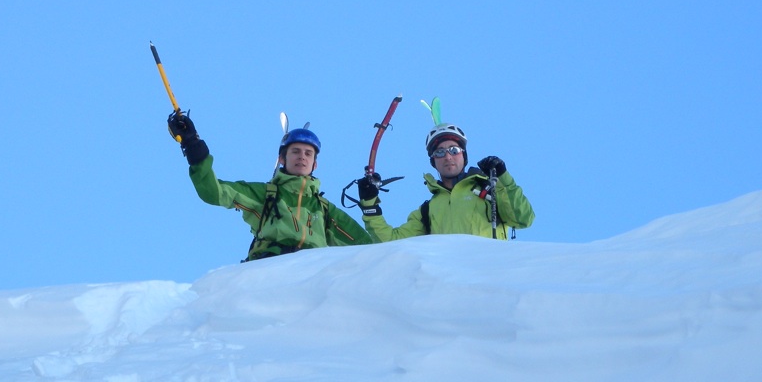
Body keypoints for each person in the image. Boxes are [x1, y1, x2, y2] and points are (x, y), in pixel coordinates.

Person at [167, 112, 377, 261]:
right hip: (270, 271)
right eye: (295, 151)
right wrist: (193, 146)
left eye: (308, 153)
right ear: (282, 158)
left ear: (315, 164)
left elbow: (367, 248)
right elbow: (214, 192)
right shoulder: (265, 195)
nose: (302, 157)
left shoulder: (323, 209)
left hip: (313, 276)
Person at [356, 122, 534, 241]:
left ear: (464, 156)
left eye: (454, 149)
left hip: (490, 280)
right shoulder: (427, 211)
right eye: (439, 152)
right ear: (433, 162)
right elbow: (391, 241)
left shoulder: (490, 191)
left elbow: (522, 219)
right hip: (449, 289)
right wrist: (369, 204)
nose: (448, 156)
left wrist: (502, 177)